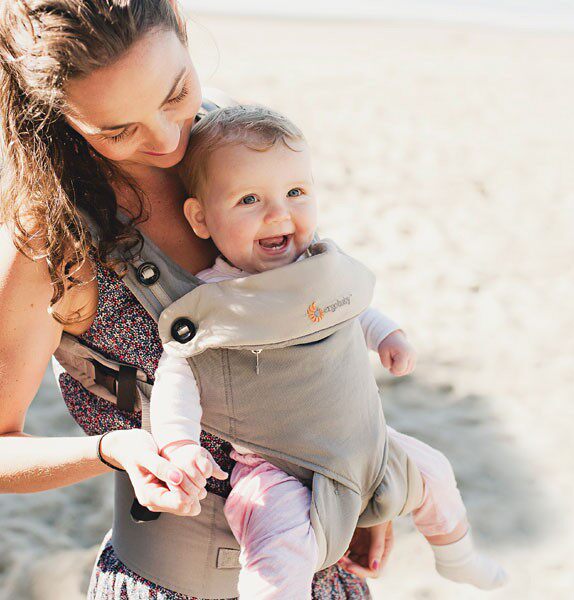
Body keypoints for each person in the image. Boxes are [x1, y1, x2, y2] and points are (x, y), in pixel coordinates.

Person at [0, 2, 391, 598]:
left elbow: (316, 313)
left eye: (176, 92)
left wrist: (364, 473)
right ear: (57, 115)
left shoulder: (232, 135)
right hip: (172, 581)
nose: (167, 138)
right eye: (118, 130)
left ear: (181, 31)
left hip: (324, 563)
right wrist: (113, 450)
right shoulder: (50, 239)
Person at [150, 105, 508, 598]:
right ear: (200, 218)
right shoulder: (215, 302)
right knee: (276, 542)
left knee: (434, 471)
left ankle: (457, 557)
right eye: (249, 199)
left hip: (365, 444)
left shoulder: (316, 267)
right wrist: (179, 443)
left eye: (296, 193)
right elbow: (178, 371)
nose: (279, 214)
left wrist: (386, 335)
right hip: (277, 464)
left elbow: (347, 309)